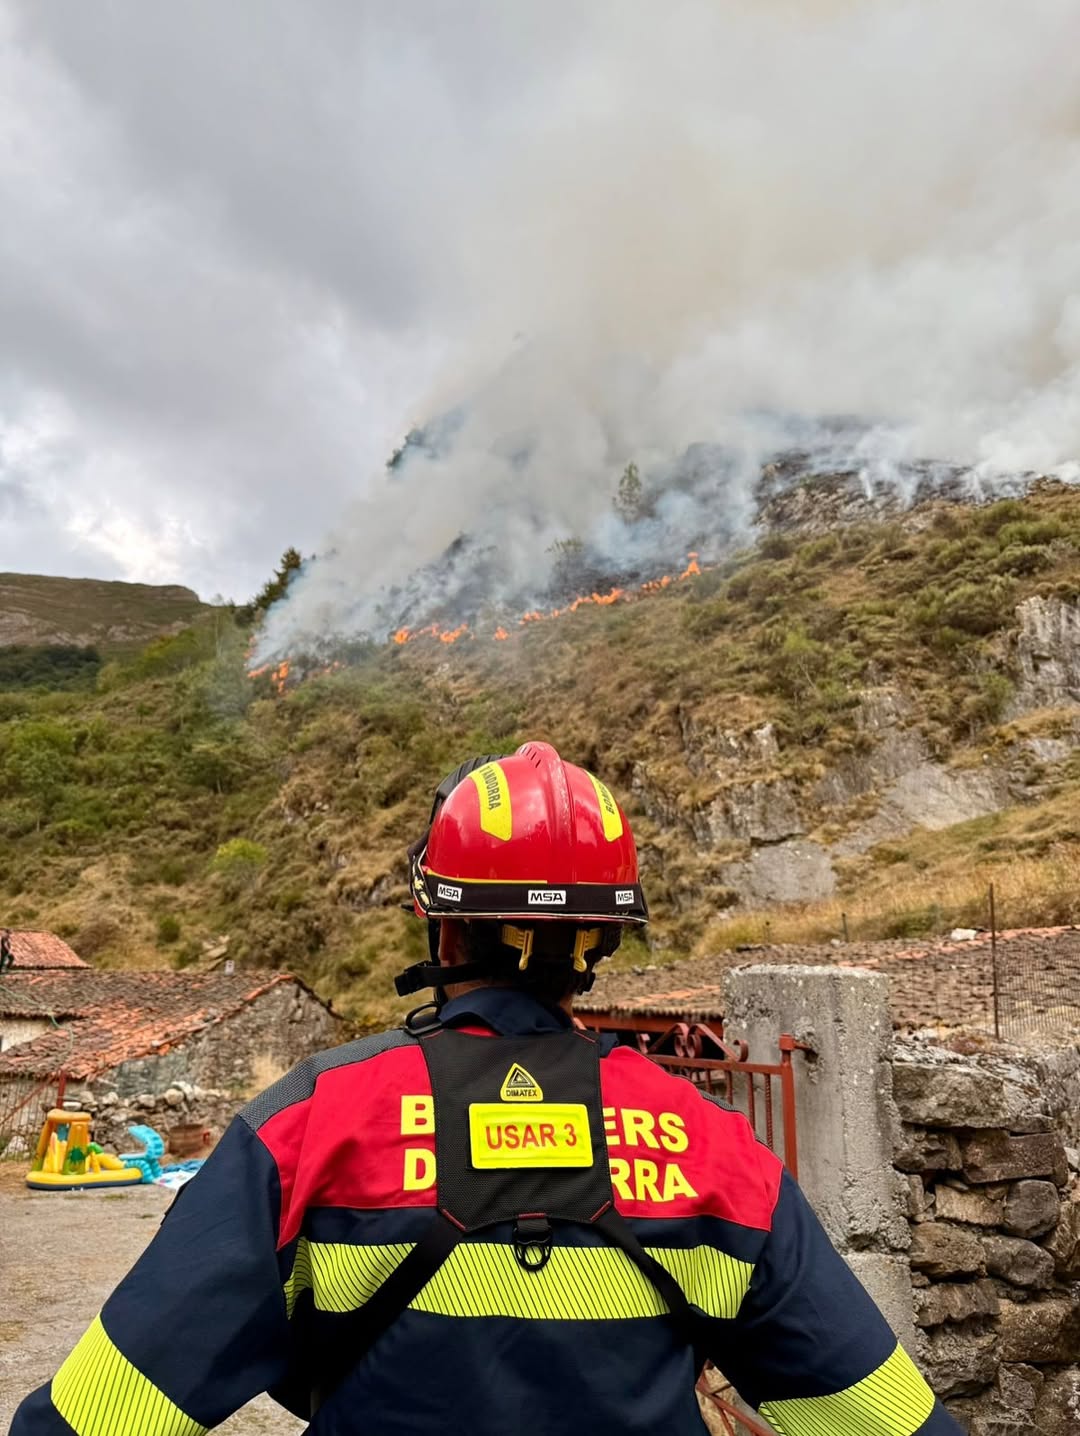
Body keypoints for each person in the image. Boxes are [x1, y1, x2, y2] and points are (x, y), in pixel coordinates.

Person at [10, 741, 960, 1436]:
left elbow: (105, 1414)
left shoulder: (312, 1122)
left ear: (441, 927)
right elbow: (881, 1420)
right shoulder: (714, 1146)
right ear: (604, 942)